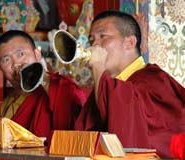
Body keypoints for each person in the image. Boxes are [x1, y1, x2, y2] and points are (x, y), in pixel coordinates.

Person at [74, 10, 185, 158]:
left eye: (103, 36)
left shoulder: (154, 82)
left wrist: (99, 68)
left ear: (130, 42)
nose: (94, 44)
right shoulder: (109, 87)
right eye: (91, 39)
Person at [0, 30, 87, 142]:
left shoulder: (59, 89)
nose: (16, 64)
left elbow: (80, 130)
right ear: (0, 68)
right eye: (6, 60)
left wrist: (38, 76)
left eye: (21, 54)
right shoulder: (8, 103)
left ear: (37, 55)